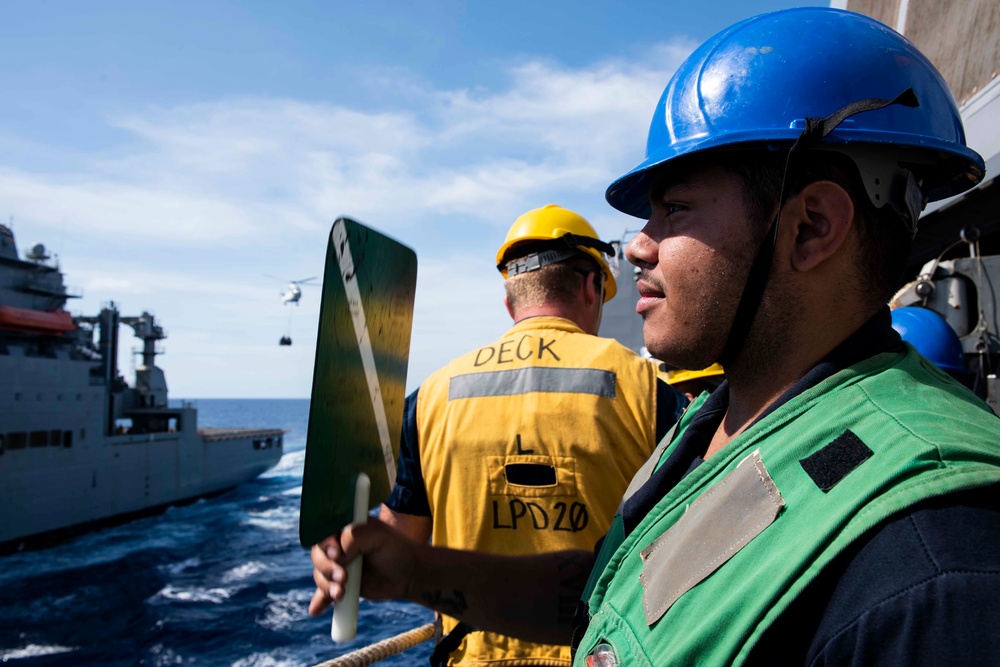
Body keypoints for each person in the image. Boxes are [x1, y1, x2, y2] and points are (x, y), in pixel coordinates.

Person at [311, 8, 1000, 665]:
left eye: (674, 208)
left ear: (811, 226)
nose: (639, 246)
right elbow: (607, 603)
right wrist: (417, 570)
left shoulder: (937, 567)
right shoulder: (713, 421)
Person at [376, 204, 687, 666]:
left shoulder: (430, 397)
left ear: (510, 301)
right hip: (604, 654)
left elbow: (395, 550)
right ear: (591, 286)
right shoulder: (651, 391)